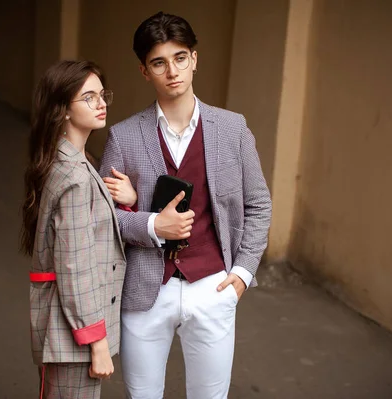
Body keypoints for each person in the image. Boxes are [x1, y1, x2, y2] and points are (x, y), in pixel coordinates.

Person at [100, 12, 272, 399]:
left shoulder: (232, 129)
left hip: (213, 286)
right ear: (145, 71)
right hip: (144, 291)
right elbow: (103, 221)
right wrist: (148, 223)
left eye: (180, 58)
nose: (172, 71)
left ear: (194, 59)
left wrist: (242, 274)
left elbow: (259, 204)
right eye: (159, 62)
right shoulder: (124, 137)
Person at [20, 60, 135, 399]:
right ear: (64, 111)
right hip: (72, 334)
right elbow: (75, 266)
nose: (101, 104)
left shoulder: (71, 161)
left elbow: (92, 230)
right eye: (88, 97)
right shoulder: (74, 176)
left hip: (66, 327)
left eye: (102, 95)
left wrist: (127, 201)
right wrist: (96, 342)